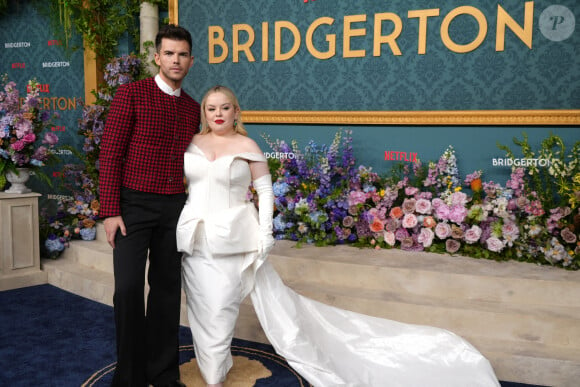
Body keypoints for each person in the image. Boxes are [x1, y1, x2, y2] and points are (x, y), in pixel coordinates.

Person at [176, 85, 500, 387]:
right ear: (203, 112)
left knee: (220, 308)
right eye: (211, 108)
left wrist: (265, 234)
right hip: (193, 239)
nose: (218, 114)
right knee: (201, 307)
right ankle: (213, 366)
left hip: (235, 240)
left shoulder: (247, 146)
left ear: (236, 111)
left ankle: (214, 376)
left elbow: (264, 191)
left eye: (225, 108)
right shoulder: (191, 143)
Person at [99, 24, 200, 387]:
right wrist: (111, 210)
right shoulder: (131, 95)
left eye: (182, 54)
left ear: (191, 60)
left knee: (167, 290)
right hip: (132, 206)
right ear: (157, 57)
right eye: (169, 53)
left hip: (174, 206)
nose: (176, 60)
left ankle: (163, 373)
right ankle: (128, 377)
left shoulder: (192, 108)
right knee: (127, 289)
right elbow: (110, 154)